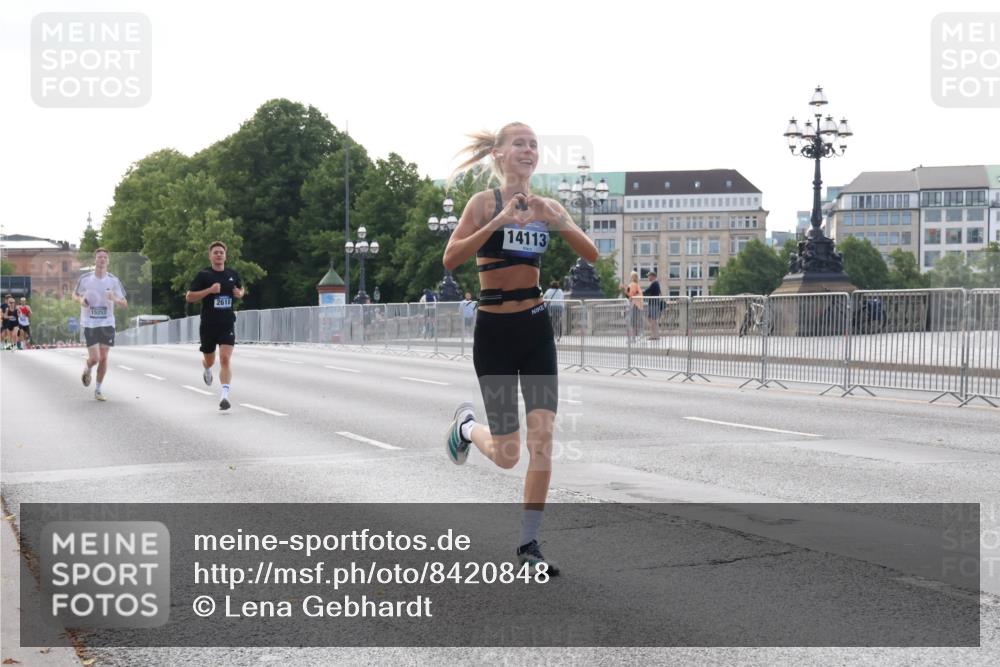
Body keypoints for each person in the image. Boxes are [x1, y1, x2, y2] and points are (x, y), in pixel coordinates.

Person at [442, 122, 599, 575]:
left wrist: (559, 220)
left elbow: (590, 253)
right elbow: (451, 259)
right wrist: (500, 220)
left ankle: (529, 545)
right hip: (493, 332)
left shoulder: (547, 204)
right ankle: (467, 428)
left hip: (534, 330)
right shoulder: (482, 204)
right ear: (499, 154)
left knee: (544, 440)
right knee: (508, 454)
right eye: (520, 143)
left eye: (534, 144)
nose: (529, 150)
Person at [186, 241, 244, 410]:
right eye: (215, 252)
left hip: (227, 323)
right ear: (210, 256)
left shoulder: (232, 274)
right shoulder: (204, 275)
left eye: (221, 252)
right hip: (209, 325)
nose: (219, 255)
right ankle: (206, 366)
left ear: (225, 255)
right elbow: (189, 297)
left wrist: (239, 293)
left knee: (225, 359)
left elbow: (241, 289)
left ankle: (224, 396)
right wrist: (209, 291)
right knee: (210, 360)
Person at [74, 248, 128, 401]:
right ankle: (88, 366)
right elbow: (75, 294)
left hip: (107, 322)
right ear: (95, 260)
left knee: (104, 358)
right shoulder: (85, 279)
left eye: (105, 257)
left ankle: (98, 390)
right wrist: (81, 301)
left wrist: (114, 299)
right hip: (90, 322)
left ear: (108, 261)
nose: (102, 259)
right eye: (99, 257)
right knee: (95, 358)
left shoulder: (113, 281)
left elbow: (124, 303)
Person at [620, 271, 644, 342]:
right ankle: (635, 337)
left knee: (631, 322)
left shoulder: (633, 284)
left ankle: (633, 338)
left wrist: (624, 288)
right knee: (634, 322)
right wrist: (625, 288)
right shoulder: (636, 285)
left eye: (632, 276)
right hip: (637, 305)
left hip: (634, 305)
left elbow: (629, 295)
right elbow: (629, 295)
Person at [642, 271, 662, 341]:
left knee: (653, 320)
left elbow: (647, 291)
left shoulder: (654, 283)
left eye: (649, 276)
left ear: (653, 276)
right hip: (653, 304)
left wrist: (639, 292)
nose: (648, 277)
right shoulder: (655, 283)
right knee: (651, 319)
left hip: (654, 304)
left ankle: (654, 336)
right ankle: (655, 335)